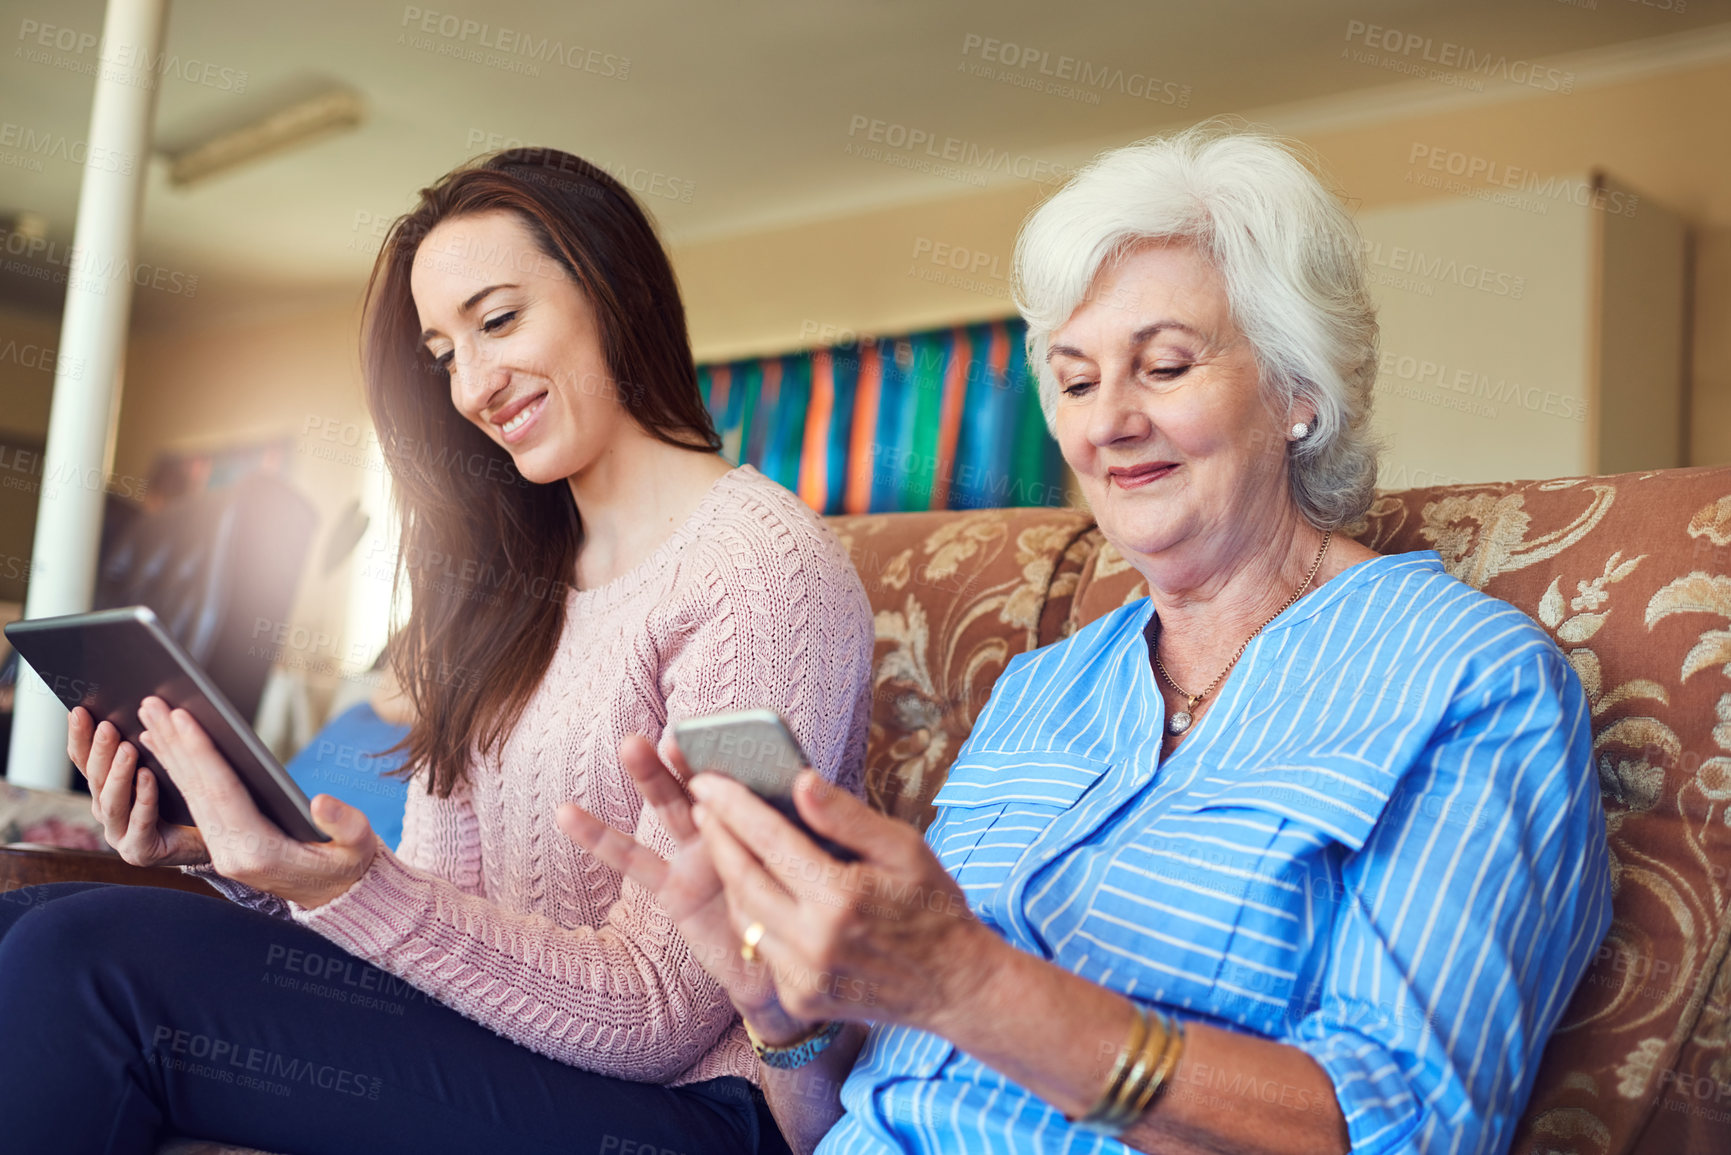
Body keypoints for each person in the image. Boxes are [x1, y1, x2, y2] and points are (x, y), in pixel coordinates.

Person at [560, 124, 1614, 1155]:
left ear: (1300, 391)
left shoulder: (1471, 685)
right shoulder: (1043, 689)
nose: (1107, 421)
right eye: (1074, 380)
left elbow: (1407, 1130)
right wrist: (785, 1020)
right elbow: (847, 1117)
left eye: (1162, 367)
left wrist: (974, 984)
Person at [0, 148, 873, 1155]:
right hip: (502, 1057)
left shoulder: (756, 574)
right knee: (34, 916)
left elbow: (658, 1012)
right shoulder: (507, 589)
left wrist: (345, 886)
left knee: (85, 955)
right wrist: (251, 859)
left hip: (697, 1113)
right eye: (444, 354)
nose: (474, 386)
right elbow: (434, 914)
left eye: (498, 321)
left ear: (615, 292)